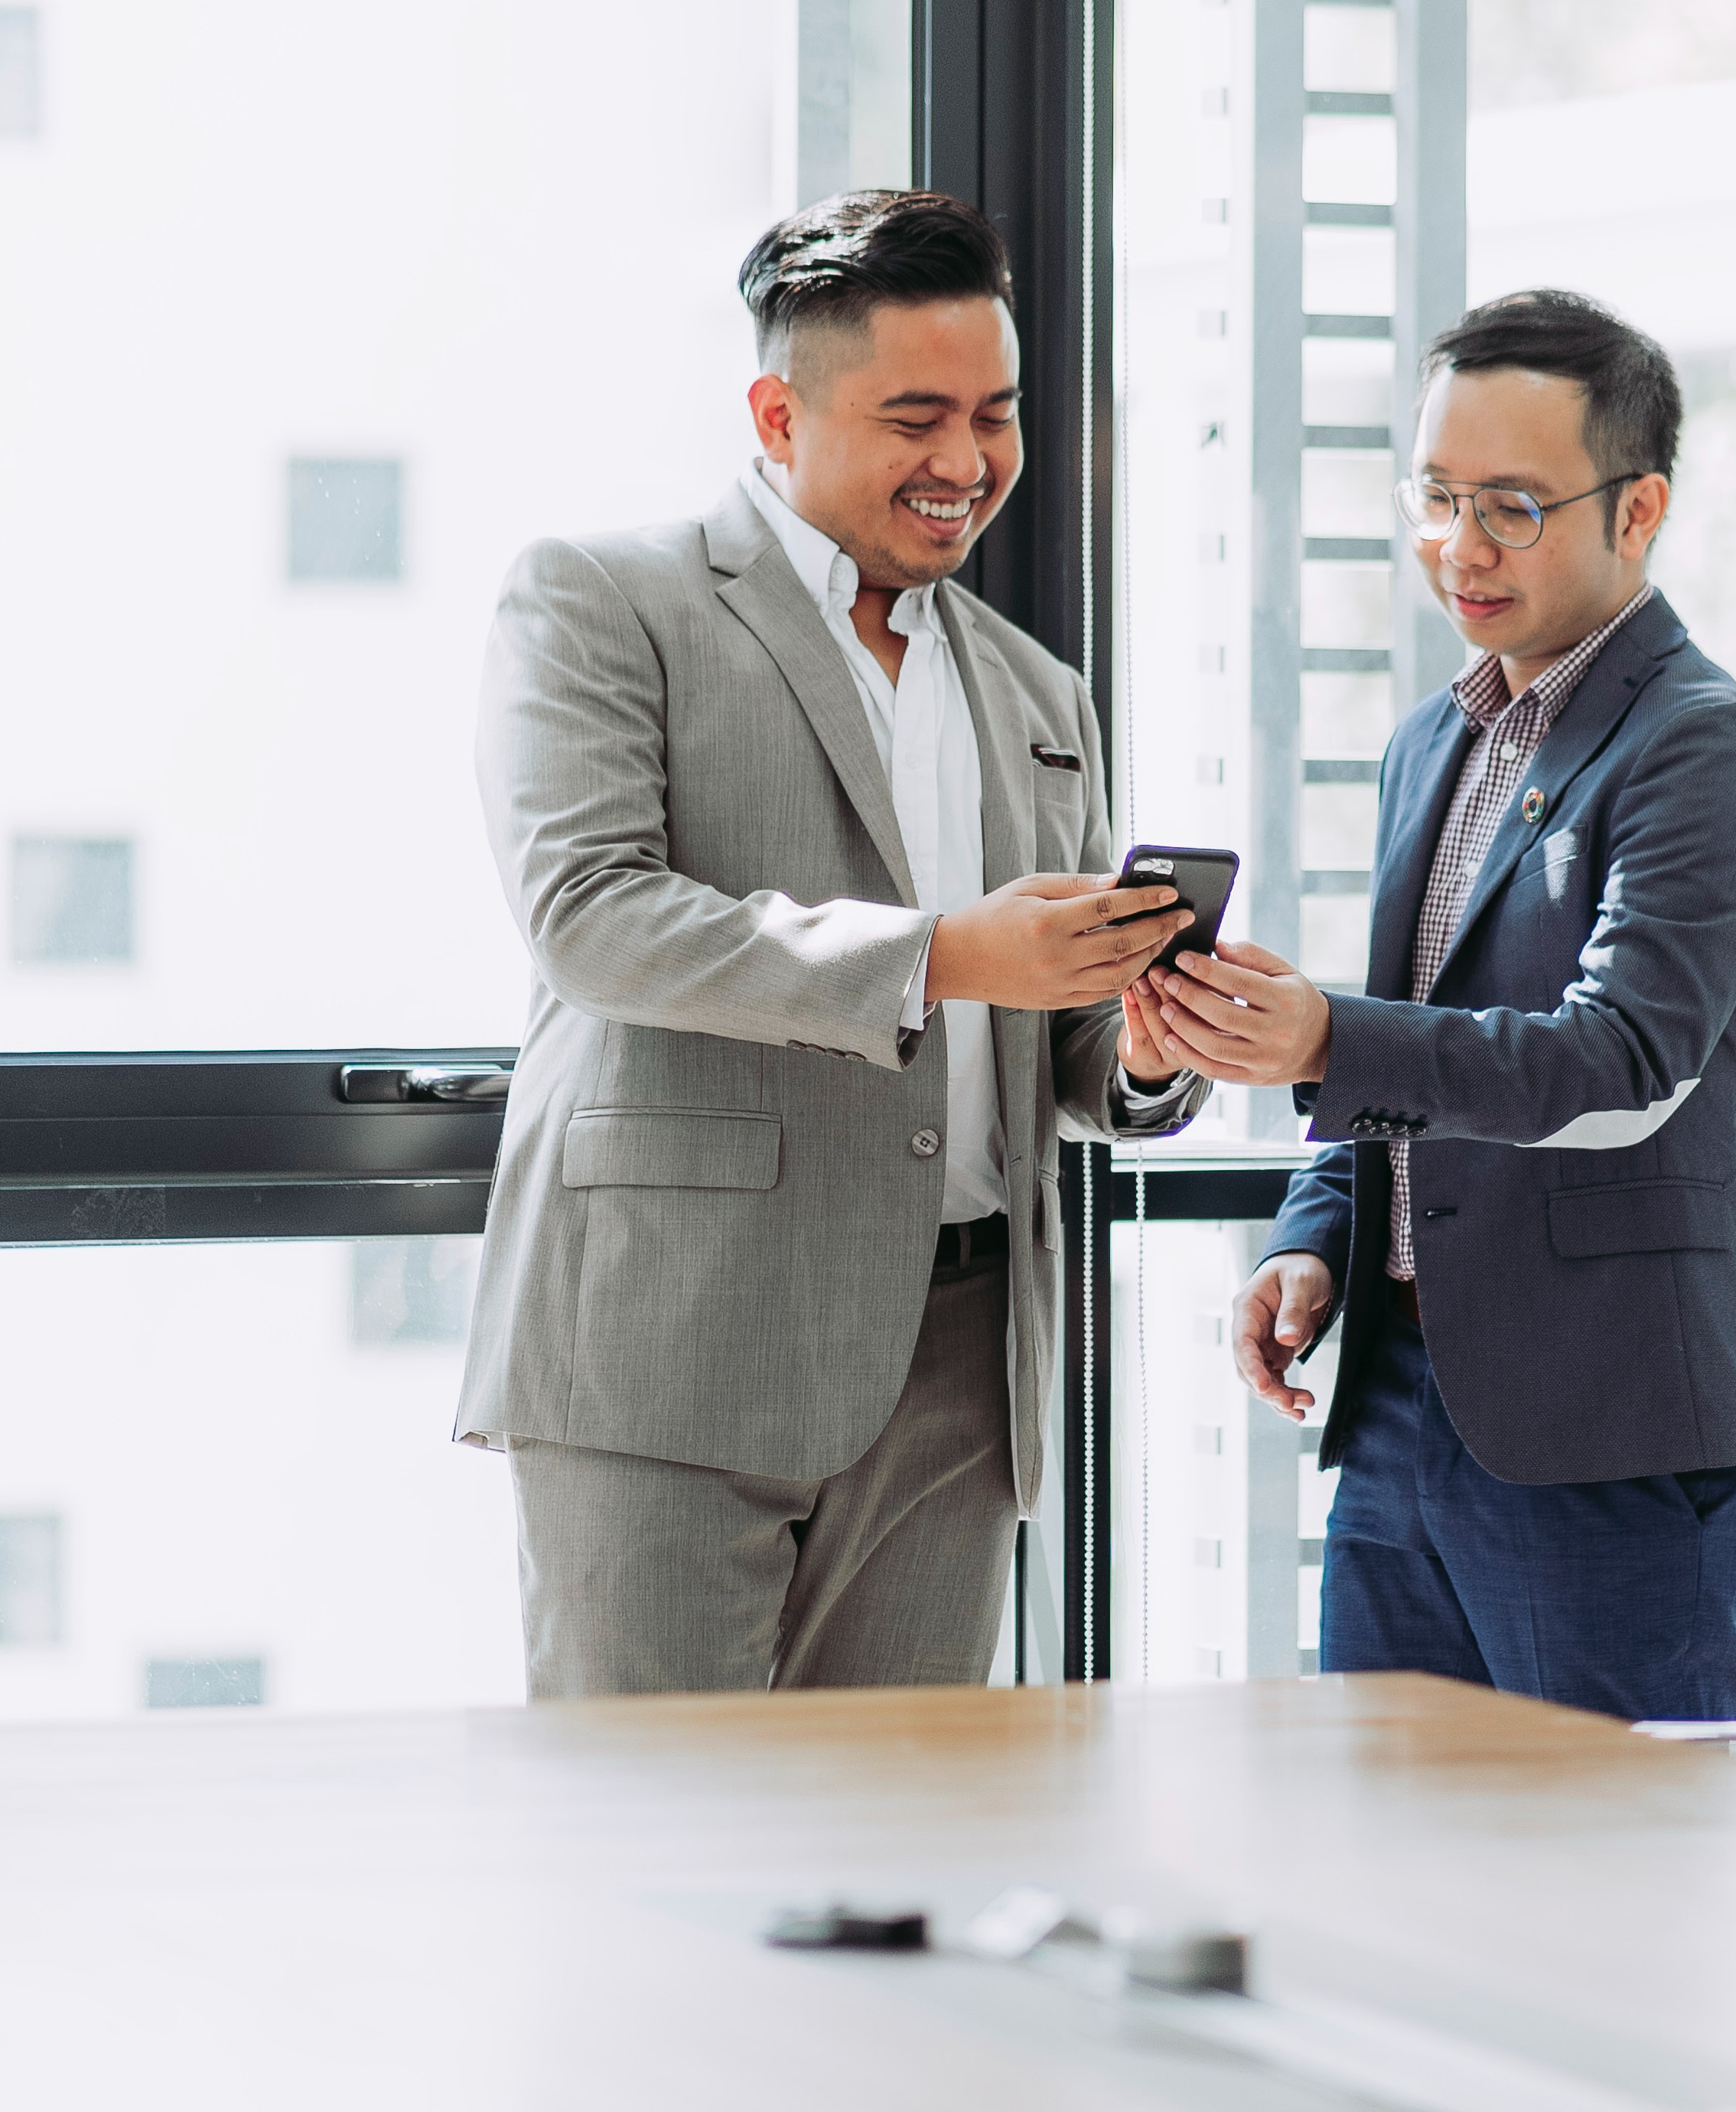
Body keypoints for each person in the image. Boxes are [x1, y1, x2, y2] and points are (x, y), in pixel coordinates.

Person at [454, 191, 1207, 1697]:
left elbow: (1040, 1042)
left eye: (993, 415)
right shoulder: (605, 603)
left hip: (963, 1371)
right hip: (672, 1338)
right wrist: (937, 955)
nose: (966, 462)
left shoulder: (1037, 692)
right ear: (776, 413)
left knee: (899, 1864)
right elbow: (591, 921)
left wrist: (1132, 1045)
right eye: (913, 415)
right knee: (658, 1849)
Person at [1136, 290, 1736, 1722]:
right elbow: (1414, 1046)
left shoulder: (1702, 747)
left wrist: (1320, 1036)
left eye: (1510, 505)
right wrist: (1318, 1238)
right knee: (1397, 1877)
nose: (1458, 548)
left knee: (1611, 1897)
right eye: (1434, 497)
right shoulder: (1435, 740)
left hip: (1605, 1428)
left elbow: (1621, 1063)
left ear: (1640, 512)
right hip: (1398, 1409)